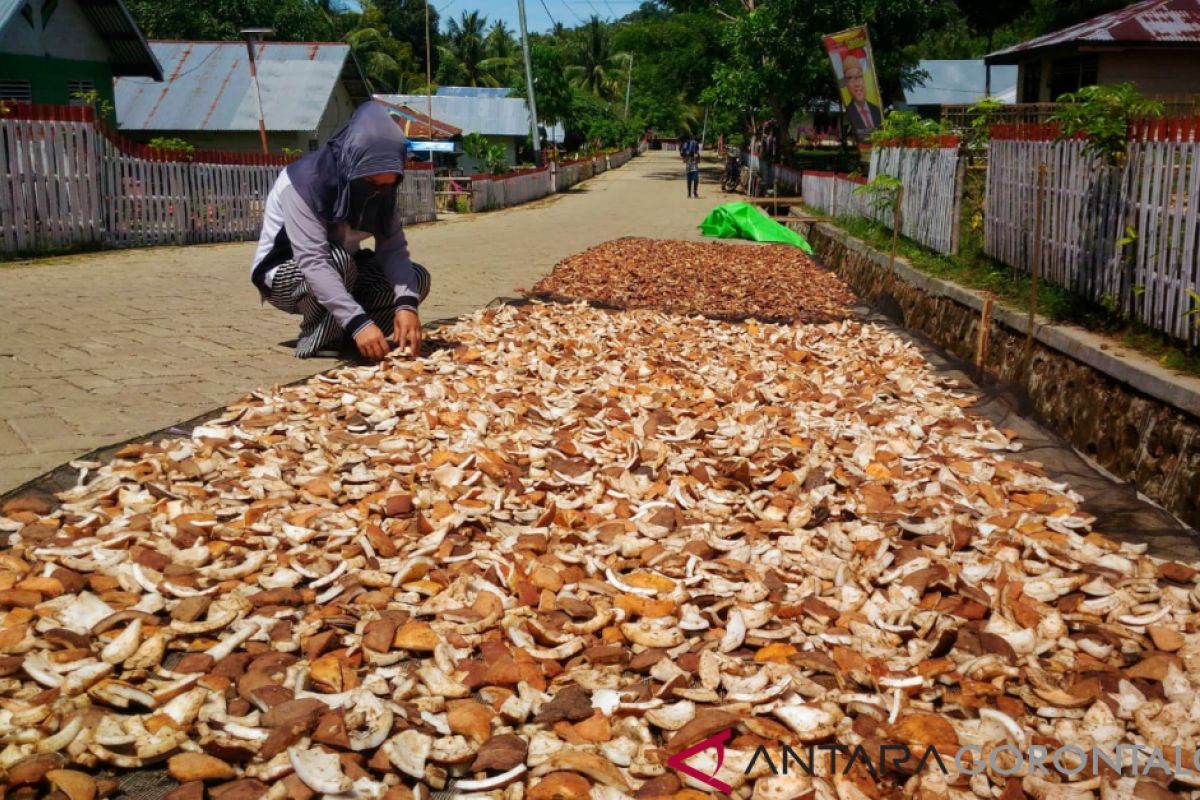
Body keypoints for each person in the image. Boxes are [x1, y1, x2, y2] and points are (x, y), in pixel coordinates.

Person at [250, 101, 430, 360]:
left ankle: (349, 332)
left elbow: (393, 250)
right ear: (352, 162)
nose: (378, 190)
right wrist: (359, 322)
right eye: (370, 181)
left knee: (416, 279)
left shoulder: (384, 192)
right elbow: (313, 260)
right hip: (286, 276)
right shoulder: (304, 182)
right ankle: (321, 336)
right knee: (338, 261)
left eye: (387, 184)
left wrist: (407, 305)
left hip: (347, 271)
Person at [841, 53, 882, 137]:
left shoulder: (876, 110)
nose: (857, 84)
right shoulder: (849, 112)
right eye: (850, 78)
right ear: (846, 85)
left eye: (859, 76)